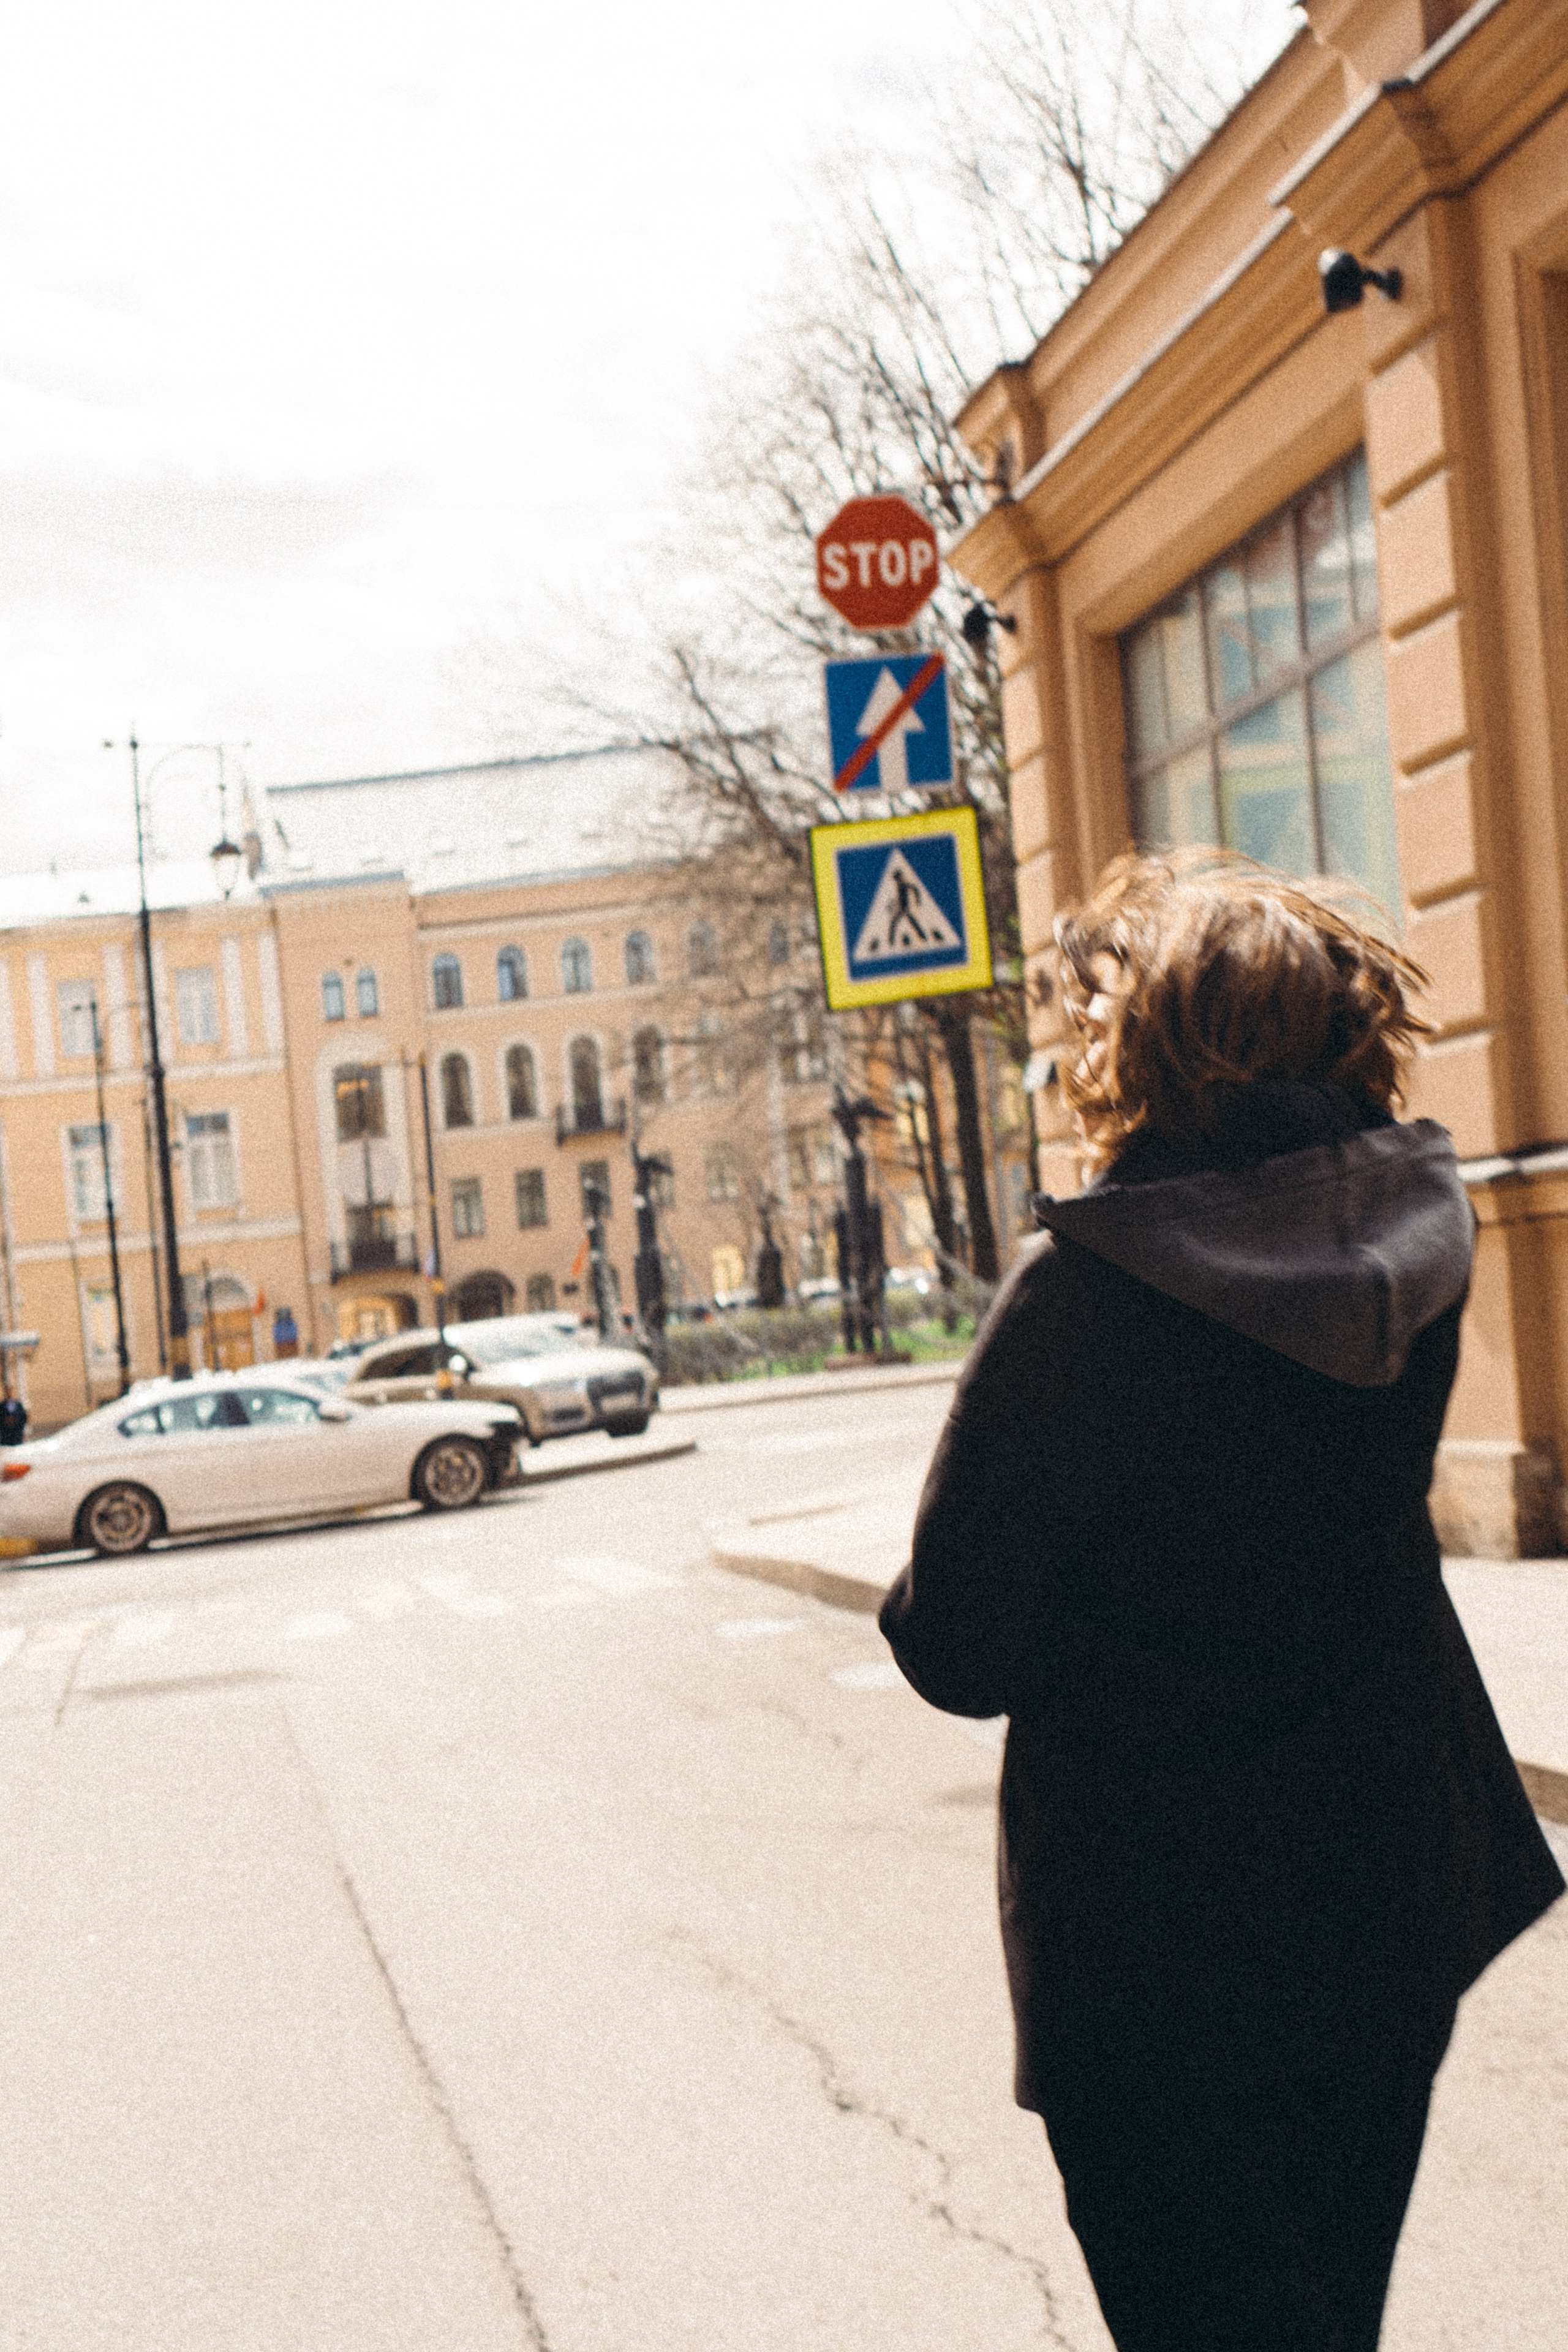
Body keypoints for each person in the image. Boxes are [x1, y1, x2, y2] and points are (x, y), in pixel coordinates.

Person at [880, 853, 1563, 2352]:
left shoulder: (1086, 1294)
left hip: (1155, 1935)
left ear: (1142, 1050)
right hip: (1387, 1874)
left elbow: (953, 1645)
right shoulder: (1410, 1247)